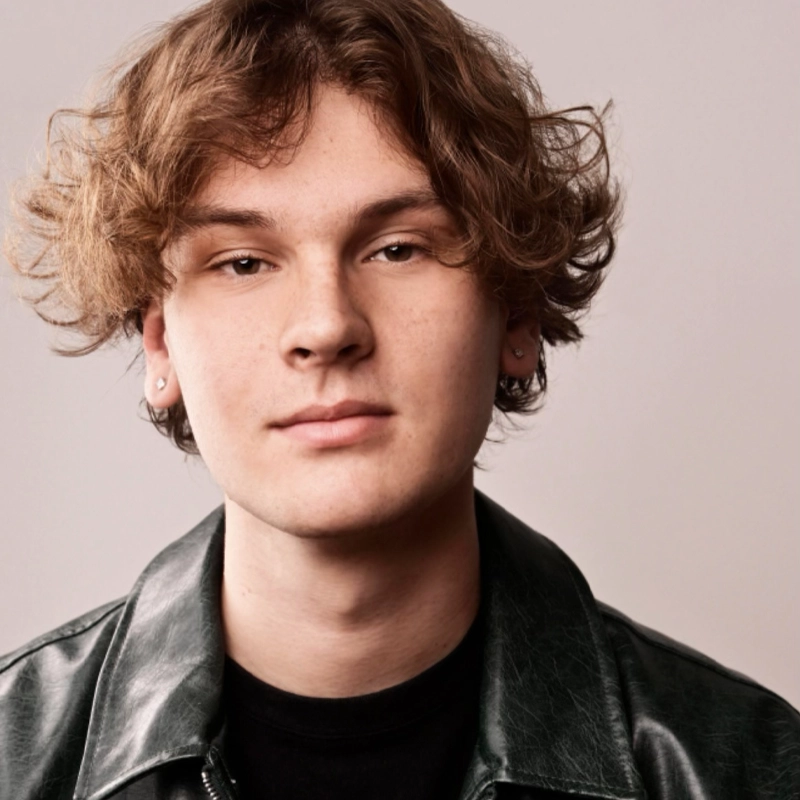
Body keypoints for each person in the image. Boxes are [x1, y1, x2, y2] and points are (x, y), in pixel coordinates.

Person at [1, 0, 797, 798]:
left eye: (397, 249)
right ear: (160, 342)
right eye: (243, 262)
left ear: (516, 315)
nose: (326, 327)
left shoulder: (742, 770)